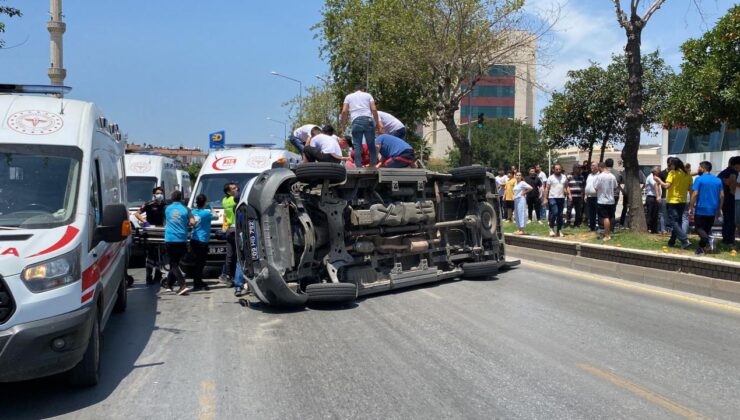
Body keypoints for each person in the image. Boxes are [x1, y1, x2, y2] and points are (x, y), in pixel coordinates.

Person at [341, 85, 382, 168]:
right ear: (363, 89)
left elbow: (344, 111)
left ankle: (358, 166)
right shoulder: (368, 95)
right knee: (371, 144)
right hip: (368, 120)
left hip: (356, 121)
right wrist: (377, 123)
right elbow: (374, 109)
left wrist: (343, 124)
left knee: (357, 145)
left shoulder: (348, 97)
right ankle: (373, 164)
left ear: (354, 90)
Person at [163, 190, 195, 295]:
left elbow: (165, 221)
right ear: (181, 198)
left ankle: (182, 285)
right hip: (182, 239)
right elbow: (192, 222)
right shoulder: (186, 209)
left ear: (172, 198)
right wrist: (187, 225)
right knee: (175, 262)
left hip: (170, 238)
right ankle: (169, 284)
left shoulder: (167, 208)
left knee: (173, 263)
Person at [689, 161, 724, 255]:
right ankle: (701, 249)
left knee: (699, 229)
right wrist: (719, 209)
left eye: (699, 167)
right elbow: (722, 196)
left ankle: (709, 239)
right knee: (706, 230)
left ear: (703, 169)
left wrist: (691, 206)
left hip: (701, 209)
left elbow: (695, 193)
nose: (698, 169)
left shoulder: (699, 179)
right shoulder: (718, 180)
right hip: (713, 210)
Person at [135, 186, 167, 285]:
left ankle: (158, 275)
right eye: (157, 193)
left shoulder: (165, 205)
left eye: (161, 193)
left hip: (161, 231)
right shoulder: (149, 204)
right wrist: (144, 222)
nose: (159, 195)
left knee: (160, 255)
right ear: (154, 194)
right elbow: (137, 214)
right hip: (151, 231)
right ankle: (149, 276)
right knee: (150, 255)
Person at [659, 157, 692, 249]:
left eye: (671, 164)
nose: (670, 166)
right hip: (683, 201)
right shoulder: (687, 174)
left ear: (674, 165)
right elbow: (690, 189)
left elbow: (667, 186)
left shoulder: (672, 173)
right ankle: (672, 241)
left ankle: (684, 240)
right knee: (678, 222)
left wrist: (659, 180)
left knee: (673, 222)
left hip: (673, 201)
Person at [190, 194, 216, 291]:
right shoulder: (206, 213)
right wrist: (211, 207)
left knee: (197, 262)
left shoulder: (193, 212)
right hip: (202, 240)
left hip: (194, 239)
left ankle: (198, 281)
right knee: (200, 262)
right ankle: (197, 283)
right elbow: (216, 216)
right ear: (205, 202)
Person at [542, 164, 570, 237]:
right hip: (552, 197)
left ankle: (559, 230)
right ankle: (551, 228)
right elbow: (547, 188)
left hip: (561, 198)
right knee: (555, 212)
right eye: (556, 169)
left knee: (560, 215)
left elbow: (566, 186)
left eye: (559, 169)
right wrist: (545, 198)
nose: (558, 170)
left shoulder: (564, 177)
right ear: (553, 170)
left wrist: (569, 195)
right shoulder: (550, 178)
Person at [219, 182, 239, 285]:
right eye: (233, 189)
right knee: (239, 255)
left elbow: (225, 216)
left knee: (230, 255)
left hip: (229, 229)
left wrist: (224, 228)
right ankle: (237, 278)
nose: (236, 189)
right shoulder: (234, 199)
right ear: (228, 192)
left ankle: (227, 276)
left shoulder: (224, 200)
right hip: (237, 229)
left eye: (236, 187)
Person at [717, 156, 740, 245]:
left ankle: (726, 239)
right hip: (730, 198)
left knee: (727, 219)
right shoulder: (733, 172)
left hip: (723, 198)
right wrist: (733, 191)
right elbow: (732, 184)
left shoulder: (723, 172)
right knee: (731, 220)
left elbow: (725, 181)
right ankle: (729, 240)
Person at [594, 162, 618, 241]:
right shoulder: (612, 176)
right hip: (611, 200)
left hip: (602, 200)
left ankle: (607, 235)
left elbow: (596, 187)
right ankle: (610, 232)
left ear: (600, 167)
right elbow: (615, 186)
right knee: (611, 217)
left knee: (605, 218)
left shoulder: (600, 176)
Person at [604, 159, 623, 228]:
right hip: (615, 194)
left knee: (605, 212)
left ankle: (605, 227)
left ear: (605, 164)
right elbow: (620, 182)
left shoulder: (604, 173)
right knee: (612, 211)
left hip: (606, 195)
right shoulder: (618, 173)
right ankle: (612, 227)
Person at [658, 157, 673, 235]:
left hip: (674, 197)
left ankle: (671, 229)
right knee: (663, 214)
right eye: (671, 164)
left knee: (672, 214)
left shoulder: (675, 173)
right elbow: (656, 184)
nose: (672, 166)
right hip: (664, 196)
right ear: (668, 164)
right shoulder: (662, 173)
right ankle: (663, 230)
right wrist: (658, 195)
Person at [644, 166, 662, 234]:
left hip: (656, 197)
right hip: (651, 197)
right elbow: (655, 185)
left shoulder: (657, 177)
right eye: (658, 170)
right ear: (654, 171)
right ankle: (648, 228)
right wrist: (658, 196)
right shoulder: (651, 177)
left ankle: (654, 229)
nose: (659, 172)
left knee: (655, 214)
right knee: (650, 214)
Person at [584, 162, 599, 232]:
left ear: (597, 167)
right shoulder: (589, 175)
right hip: (589, 196)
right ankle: (592, 227)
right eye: (591, 165)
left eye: (593, 165)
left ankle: (600, 226)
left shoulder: (599, 175)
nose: (591, 167)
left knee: (598, 212)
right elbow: (587, 185)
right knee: (591, 213)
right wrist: (585, 195)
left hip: (597, 197)